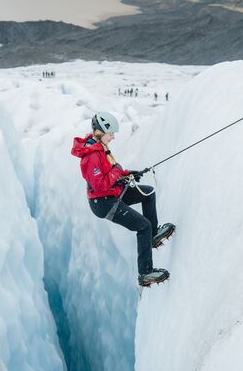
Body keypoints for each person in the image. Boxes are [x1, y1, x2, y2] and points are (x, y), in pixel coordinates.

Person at [71, 111, 175, 287]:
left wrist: (128, 173)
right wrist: (118, 171)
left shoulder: (99, 147)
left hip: (112, 193)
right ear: (100, 132)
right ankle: (145, 273)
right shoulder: (91, 155)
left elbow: (109, 172)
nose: (113, 137)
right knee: (143, 226)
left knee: (148, 193)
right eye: (110, 133)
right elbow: (100, 185)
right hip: (104, 203)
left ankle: (152, 237)